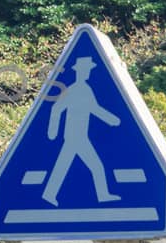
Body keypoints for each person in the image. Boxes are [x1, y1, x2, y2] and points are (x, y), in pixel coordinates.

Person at [42, 56, 121, 206]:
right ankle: (102, 195)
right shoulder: (74, 89)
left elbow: (94, 109)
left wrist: (112, 119)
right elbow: (56, 108)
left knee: (64, 165)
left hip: (78, 136)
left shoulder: (85, 89)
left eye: (88, 70)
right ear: (80, 71)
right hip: (75, 137)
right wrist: (53, 132)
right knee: (96, 166)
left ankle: (49, 194)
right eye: (86, 70)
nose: (88, 73)